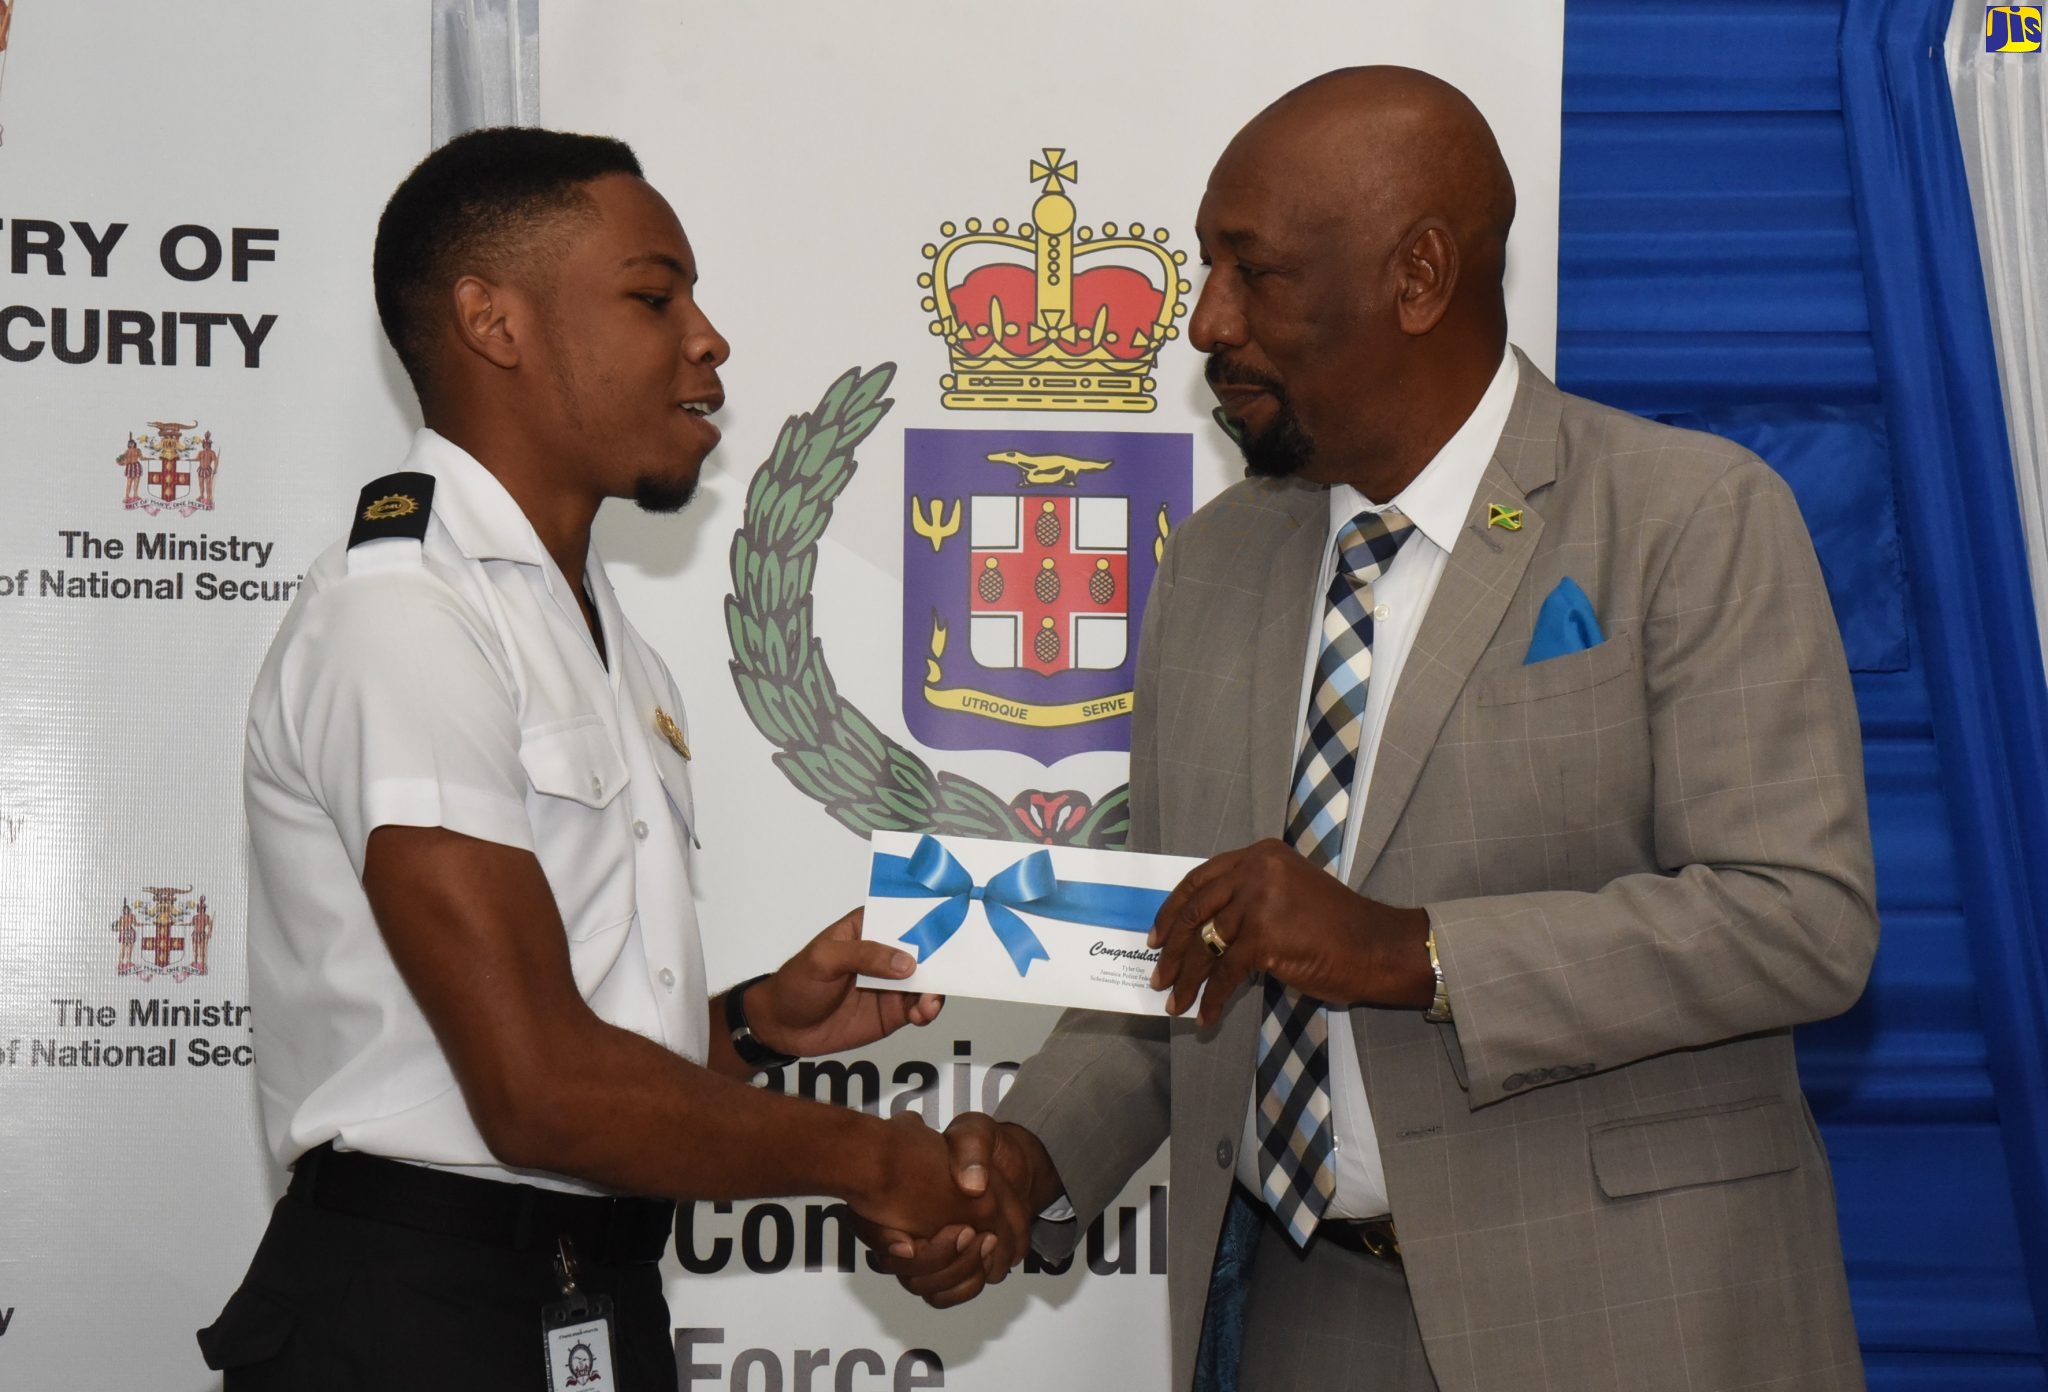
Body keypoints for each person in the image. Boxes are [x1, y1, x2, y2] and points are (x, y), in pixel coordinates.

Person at [876, 66, 1879, 1392]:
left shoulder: (1688, 518)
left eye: (1256, 274)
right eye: (1204, 267)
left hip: (1636, 1328)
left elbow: (1799, 923)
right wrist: (1026, 1162)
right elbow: (1171, 954)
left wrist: (1414, 953)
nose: (1203, 321)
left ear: (1418, 276)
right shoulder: (1220, 561)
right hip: (1303, 1320)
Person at [198, 128, 1019, 1392]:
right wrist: (868, 1159)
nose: (707, 338)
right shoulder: (405, 611)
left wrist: (750, 1026)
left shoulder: (598, 637)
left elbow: (558, 1037)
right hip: (416, 1323)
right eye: (653, 296)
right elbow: (531, 1087)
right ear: (493, 321)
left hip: (584, 1300)